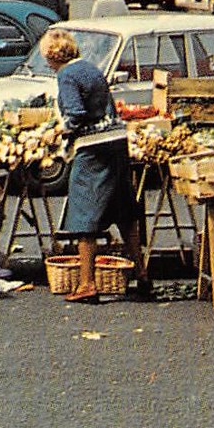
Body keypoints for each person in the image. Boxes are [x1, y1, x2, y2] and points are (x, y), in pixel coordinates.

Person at [42, 27, 144, 303]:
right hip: (117, 141)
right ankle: (143, 277)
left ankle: (87, 284)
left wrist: (58, 130)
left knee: (84, 212)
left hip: (94, 148)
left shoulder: (67, 75)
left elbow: (75, 114)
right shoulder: (90, 68)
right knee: (124, 209)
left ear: (53, 57)